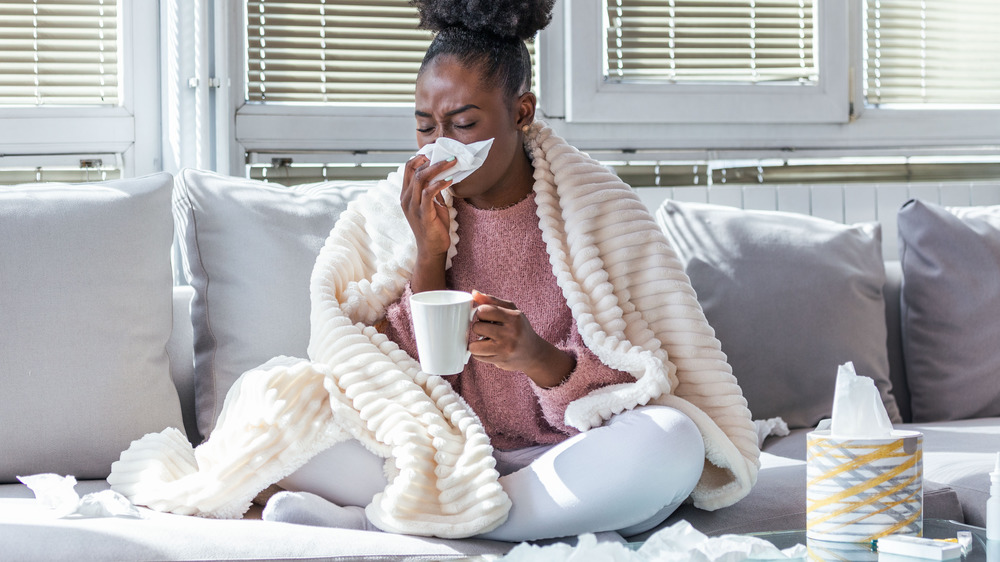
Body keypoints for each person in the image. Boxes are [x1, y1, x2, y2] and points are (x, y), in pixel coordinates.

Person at [108, 0, 757, 544]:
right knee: (280, 413)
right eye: (425, 125)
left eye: (464, 123)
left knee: (671, 443)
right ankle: (497, 515)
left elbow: (647, 375)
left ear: (522, 113)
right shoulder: (399, 210)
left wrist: (538, 359)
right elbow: (393, 376)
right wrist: (427, 254)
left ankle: (387, 521)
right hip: (435, 446)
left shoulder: (598, 210)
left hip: (563, 450)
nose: (440, 143)